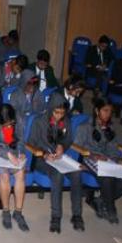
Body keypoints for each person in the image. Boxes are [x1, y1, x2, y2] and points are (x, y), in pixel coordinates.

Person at [28, 94, 84, 233]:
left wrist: (61, 146)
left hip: (59, 157)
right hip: (42, 158)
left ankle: (77, 215)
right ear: (51, 109)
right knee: (57, 175)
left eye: (62, 113)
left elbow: (68, 139)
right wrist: (44, 153)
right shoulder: (39, 122)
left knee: (77, 173)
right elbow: (31, 143)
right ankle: (56, 216)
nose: (59, 116)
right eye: (56, 112)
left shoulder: (66, 121)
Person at [75, 98, 122, 224]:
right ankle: (111, 209)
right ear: (97, 111)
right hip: (89, 158)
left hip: (107, 160)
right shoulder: (85, 127)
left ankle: (100, 200)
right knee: (107, 178)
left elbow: (113, 149)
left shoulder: (109, 129)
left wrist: (119, 161)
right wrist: (92, 155)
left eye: (110, 111)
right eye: (105, 110)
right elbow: (77, 146)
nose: (108, 114)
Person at [0, 104, 29, 231]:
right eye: (6, 125)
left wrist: (20, 153)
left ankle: (18, 212)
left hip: (14, 153)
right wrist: (7, 154)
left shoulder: (17, 117)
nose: (9, 126)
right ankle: (6, 211)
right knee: (4, 176)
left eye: (11, 124)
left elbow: (20, 139)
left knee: (20, 174)